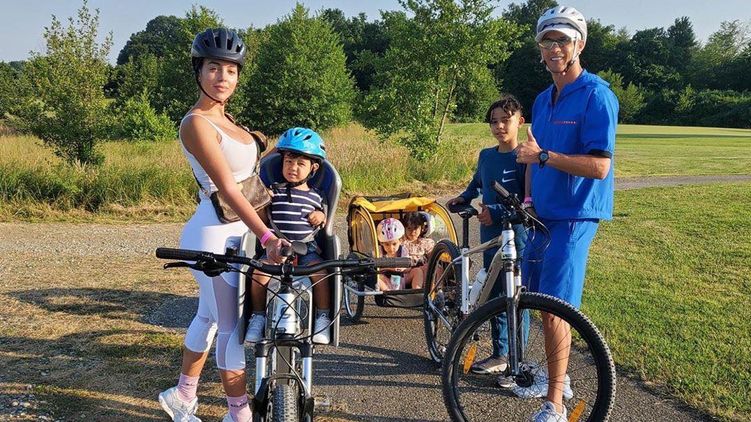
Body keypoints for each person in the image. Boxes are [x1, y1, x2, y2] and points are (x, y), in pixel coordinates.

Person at [157, 28, 287, 422]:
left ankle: (182, 395)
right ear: (198, 71)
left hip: (238, 231)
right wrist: (267, 236)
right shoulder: (197, 123)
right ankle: (238, 414)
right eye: (214, 68)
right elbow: (229, 189)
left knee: (208, 317)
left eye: (231, 70)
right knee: (231, 326)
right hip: (214, 235)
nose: (223, 77)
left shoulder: (227, 119)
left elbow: (250, 175)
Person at [515, 6, 619, 421]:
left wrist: (545, 156)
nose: (554, 47)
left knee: (556, 307)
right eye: (547, 40)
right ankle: (560, 378)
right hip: (541, 216)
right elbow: (530, 155)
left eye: (563, 39)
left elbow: (600, 166)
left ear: (580, 44)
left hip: (575, 216)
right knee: (536, 301)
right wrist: (527, 201)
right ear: (540, 48)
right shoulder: (543, 99)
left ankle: (554, 405)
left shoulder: (597, 95)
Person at [446, 95, 528, 376]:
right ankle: (500, 353)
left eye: (506, 120)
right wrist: (464, 197)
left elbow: (525, 200)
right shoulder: (486, 155)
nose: (499, 126)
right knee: (494, 295)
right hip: (491, 235)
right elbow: (477, 183)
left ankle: (518, 358)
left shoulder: (524, 157)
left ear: (520, 121)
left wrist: (495, 210)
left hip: (517, 237)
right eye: (494, 122)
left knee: (516, 296)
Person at [244, 127, 334, 345]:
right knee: (259, 274)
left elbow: (325, 220)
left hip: (306, 250)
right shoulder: (274, 191)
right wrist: (262, 201)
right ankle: (258, 317)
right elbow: (262, 221)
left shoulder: (316, 196)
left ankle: (322, 316)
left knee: (321, 274)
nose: (293, 168)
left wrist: (321, 215)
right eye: (288, 162)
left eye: (300, 164)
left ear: (313, 168)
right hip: (276, 249)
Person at [375, 218, 422, 290]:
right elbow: (375, 268)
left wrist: (403, 268)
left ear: (400, 241)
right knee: (377, 277)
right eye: (387, 244)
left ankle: (416, 291)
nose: (391, 248)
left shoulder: (403, 250)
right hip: (386, 279)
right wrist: (389, 268)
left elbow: (409, 267)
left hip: (401, 278)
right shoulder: (379, 251)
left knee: (417, 271)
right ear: (381, 243)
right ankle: (388, 293)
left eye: (394, 244)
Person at [401, 211, 435, 287]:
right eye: (409, 228)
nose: (412, 232)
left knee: (436, 268)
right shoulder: (402, 242)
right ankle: (419, 291)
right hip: (407, 271)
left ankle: (438, 290)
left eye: (415, 228)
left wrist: (429, 265)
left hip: (423, 269)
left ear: (422, 228)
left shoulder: (425, 242)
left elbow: (432, 258)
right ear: (404, 229)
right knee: (418, 271)